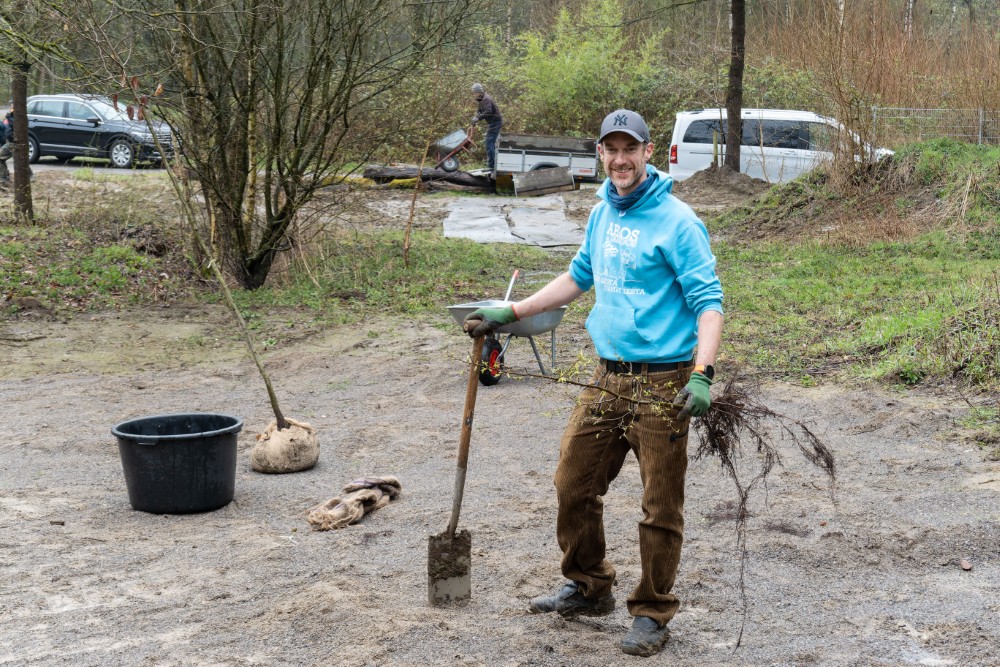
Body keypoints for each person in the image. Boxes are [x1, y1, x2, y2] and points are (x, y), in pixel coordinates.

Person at [463, 109, 723, 657]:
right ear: (601, 154)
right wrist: (515, 310)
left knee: (660, 505)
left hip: (664, 383)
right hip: (607, 377)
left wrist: (702, 374)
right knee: (573, 484)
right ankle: (588, 586)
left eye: (631, 149)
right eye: (612, 149)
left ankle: (653, 611)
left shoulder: (679, 222)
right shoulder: (603, 210)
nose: (621, 160)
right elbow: (580, 274)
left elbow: (709, 304)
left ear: (649, 153)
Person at [470, 83, 503, 173]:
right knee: (491, 143)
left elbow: (488, 111)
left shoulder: (485, 99)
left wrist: (478, 118)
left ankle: (492, 166)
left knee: (489, 143)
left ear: (478, 92)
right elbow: (480, 110)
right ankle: (493, 164)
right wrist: (475, 117)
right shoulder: (481, 99)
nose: (474, 94)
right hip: (493, 122)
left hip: (495, 122)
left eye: (474, 93)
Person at [0, 102, 31, 186]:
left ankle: (30, 178)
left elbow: (17, 125)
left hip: (15, 143)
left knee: (20, 162)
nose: (11, 109)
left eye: (12, 107)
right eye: (11, 107)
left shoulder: (21, 117)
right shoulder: (13, 115)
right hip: (10, 143)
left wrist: (9, 118)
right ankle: (4, 178)